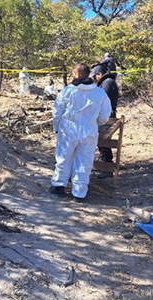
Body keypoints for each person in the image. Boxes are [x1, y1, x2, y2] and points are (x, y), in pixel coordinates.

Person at [49, 63, 111, 202]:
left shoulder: (68, 91)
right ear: (88, 74)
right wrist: (95, 123)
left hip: (69, 128)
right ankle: (79, 192)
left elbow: (57, 112)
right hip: (89, 129)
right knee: (85, 160)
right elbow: (105, 115)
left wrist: (57, 127)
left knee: (64, 157)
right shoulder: (99, 93)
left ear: (76, 74)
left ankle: (59, 186)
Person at [90, 63, 120, 179]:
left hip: (107, 117)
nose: (94, 79)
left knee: (103, 141)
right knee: (102, 141)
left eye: (95, 76)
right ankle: (105, 164)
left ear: (99, 74)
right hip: (106, 116)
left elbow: (102, 100)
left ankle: (107, 168)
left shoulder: (107, 83)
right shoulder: (107, 82)